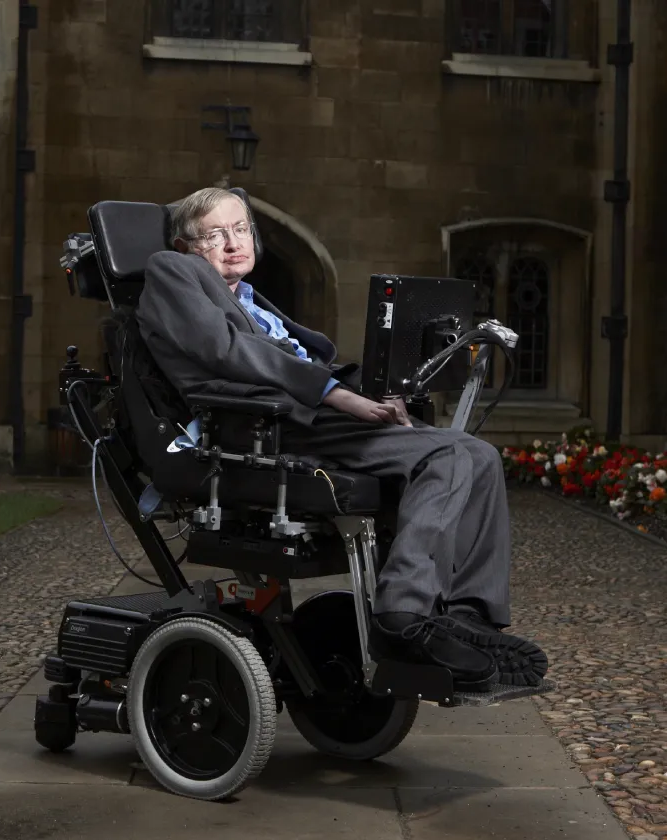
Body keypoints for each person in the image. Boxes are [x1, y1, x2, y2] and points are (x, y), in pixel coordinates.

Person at [136, 187, 547, 690]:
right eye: (214, 235)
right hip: (265, 425)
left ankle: (468, 617)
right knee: (444, 457)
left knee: (479, 455)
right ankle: (402, 616)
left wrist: (374, 393)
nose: (232, 243)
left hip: (309, 415)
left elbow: (299, 358)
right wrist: (334, 394)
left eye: (240, 229)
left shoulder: (245, 295)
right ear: (185, 246)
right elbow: (225, 350)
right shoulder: (172, 270)